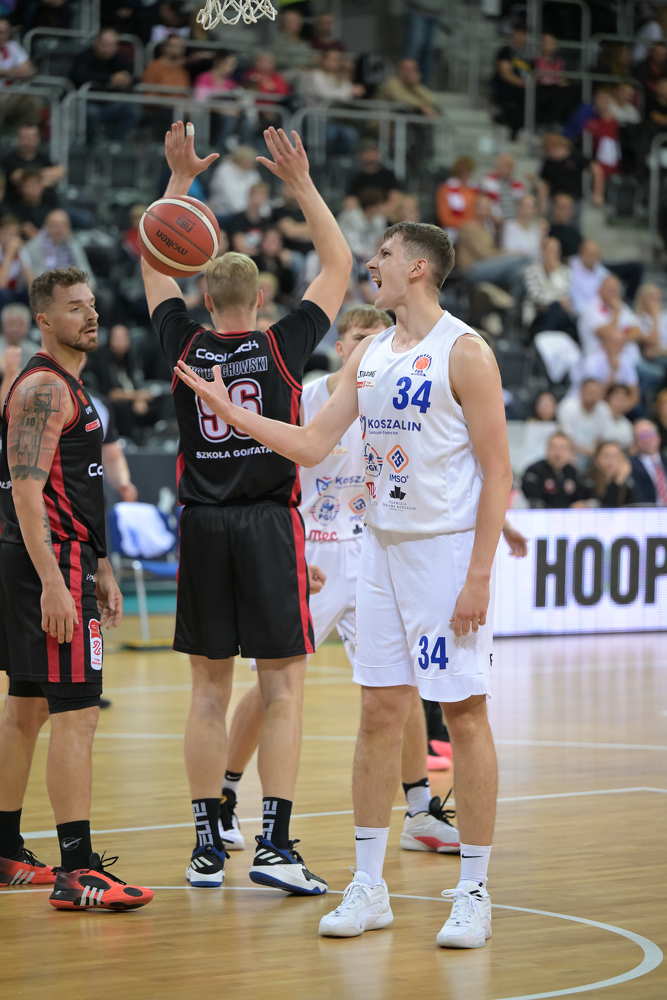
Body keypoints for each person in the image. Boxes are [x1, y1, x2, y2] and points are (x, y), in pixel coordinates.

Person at [174, 217, 514, 948]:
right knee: (377, 714)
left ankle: (474, 891)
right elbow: (310, 443)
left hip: (445, 554)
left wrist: (480, 573)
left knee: (463, 714)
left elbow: (498, 472)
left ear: (418, 268)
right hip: (378, 551)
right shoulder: (369, 356)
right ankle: (368, 886)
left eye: (385, 254)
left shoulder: (464, 351)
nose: (373, 263)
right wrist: (234, 414)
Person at [141, 122, 352, 894]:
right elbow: (337, 264)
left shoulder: (182, 344)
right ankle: (274, 846)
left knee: (207, 691)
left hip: (201, 525)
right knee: (281, 688)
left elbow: (153, 259)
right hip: (267, 524)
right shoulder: (283, 344)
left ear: (203, 296)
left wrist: (178, 186)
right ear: (260, 299)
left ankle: (205, 847)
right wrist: (299, 183)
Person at [0, 266, 152, 908]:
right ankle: (76, 870)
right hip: (48, 563)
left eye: (91, 304)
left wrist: (102, 565)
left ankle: (6, 850)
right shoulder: (42, 387)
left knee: (28, 708)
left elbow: (78, 489)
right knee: (77, 712)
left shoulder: (70, 386)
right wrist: (55, 582)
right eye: (74, 308)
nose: (90, 315)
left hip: (63, 558)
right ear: (43, 319)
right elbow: (27, 492)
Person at [457, 194, 531, 302]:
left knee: (519, 273)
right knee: (523, 259)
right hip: (472, 269)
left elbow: (492, 251)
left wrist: (498, 229)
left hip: (486, 266)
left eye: (488, 208)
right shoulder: (469, 226)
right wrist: (509, 254)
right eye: (482, 207)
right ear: (475, 208)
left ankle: (512, 306)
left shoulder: (486, 228)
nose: (485, 211)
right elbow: (485, 254)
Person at [72, 29, 142, 142]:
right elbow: (80, 77)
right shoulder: (85, 56)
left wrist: (126, 80)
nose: (108, 49)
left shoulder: (118, 58)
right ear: (96, 43)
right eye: (105, 45)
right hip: (86, 103)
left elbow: (132, 77)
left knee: (132, 111)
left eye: (112, 45)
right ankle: (89, 146)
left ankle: (115, 145)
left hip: (109, 104)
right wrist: (110, 79)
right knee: (92, 113)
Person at [304, 50, 364, 155]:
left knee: (351, 135)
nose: (335, 62)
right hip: (316, 120)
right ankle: (321, 161)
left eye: (338, 59)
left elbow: (350, 94)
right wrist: (349, 92)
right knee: (330, 134)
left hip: (335, 120)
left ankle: (339, 162)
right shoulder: (316, 75)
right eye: (332, 59)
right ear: (323, 60)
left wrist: (349, 82)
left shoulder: (340, 77)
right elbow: (326, 94)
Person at [577, 275, 643, 357]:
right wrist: (616, 313)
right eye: (611, 289)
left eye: (616, 289)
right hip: (600, 361)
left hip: (628, 359)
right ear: (600, 289)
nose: (614, 292)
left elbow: (639, 332)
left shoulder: (623, 307)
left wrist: (619, 338)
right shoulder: (591, 310)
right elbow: (608, 335)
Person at [523, 236, 575, 337]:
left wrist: (555, 273)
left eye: (557, 250)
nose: (554, 254)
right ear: (543, 251)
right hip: (538, 316)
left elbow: (567, 295)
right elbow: (537, 297)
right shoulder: (531, 271)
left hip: (561, 316)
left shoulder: (566, 272)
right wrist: (558, 299)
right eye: (551, 250)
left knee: (557, 309)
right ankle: (545, 338)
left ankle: (547, 339)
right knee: (556, 306)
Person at [521, 432, 590, 507]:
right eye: (554, 448)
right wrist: (569, 507)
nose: (558, 453)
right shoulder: (534, 471)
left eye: (563, 449)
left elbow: (581, 499)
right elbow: (535, 504)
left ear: (570, 452)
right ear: (546, 449)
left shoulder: (572, 472)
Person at [3, 124, 66, 207]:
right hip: (18, 206)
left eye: (31, 137)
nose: (27, 141)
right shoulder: (8, 160)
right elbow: (16, 177)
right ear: (17, 138)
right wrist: (45, 178)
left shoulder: (42, 157)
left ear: (38, 139)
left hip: (48, 205)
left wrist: (29, 176)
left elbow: (60, 172)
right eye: (24, 137)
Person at [537, 134, 603, 213]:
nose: (550, 153)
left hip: (574, 199)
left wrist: (597, 193)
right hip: (556, 201)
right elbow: (545, 184)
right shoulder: (549, 162)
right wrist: (541, 204)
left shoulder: (575, 157)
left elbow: (596, 169)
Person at [557, 378, 617, 461]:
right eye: (590, 392)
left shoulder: (604, 408)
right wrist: (591, 452)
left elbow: (606, 437)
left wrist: (596, 452)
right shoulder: (567, 407)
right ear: (581, 392)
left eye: (596, 393)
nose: (593, 396)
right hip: (572, 453)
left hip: (596, 455)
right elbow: (565, 439)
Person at [25, 210, 94, 279]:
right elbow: (37, 276)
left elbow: (85, 270)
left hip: (73, 283)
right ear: (46, 226)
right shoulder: (34, 246)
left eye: (61, 226)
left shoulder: (73, 244)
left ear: (68, 227)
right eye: (53, 225)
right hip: (47, 283)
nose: (57, 230)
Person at [492, 21, 531, 139]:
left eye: (524, 34)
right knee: (525, 96)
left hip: (524, 87)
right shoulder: (506, 51)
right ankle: (513, 125)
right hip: (508, 87)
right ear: (513, 33)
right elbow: (505, 74)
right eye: (519, 33)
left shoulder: (526, 55)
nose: (522, 37)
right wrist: (523, 83)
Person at [0, 18, 38, 132]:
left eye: (3, 32)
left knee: (32, 102)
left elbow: (30, 69)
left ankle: (25, 138)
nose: (1, 36)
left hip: (11, 94)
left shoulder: (13, 46)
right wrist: (14, 72)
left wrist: (7, 73)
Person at [207, 147, 263, 220]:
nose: (254, 164)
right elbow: (231, 198)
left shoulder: (253, 173)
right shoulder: (225, 170)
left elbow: (260, 192)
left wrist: (263, 212)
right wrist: (248, 213)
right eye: (251, 161)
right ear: (242, 160)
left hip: (248, 213)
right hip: (225, 213)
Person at [346, 141, 402, 210]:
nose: (370, 156)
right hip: (362, 212)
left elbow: (395, 197)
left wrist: (382, 211)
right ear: (360, 155)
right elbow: (350, 200)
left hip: (384, 211)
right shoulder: (356, 177)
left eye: (373, 152)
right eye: (367, 152)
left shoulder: (388, 175)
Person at [337, 188, 388, 264]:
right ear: (371, 205)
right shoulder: (350, 217)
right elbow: (353, 247)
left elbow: (381, 244)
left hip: (370, 259)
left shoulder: (379, 220)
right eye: (380, 204)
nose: (382, 207)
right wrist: (374, 254)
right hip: (346, 258)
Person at [436, 156, 478, 239]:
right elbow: (444, 217)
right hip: (454, 231)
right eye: (464, 171)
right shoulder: (446, 189)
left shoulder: (474, 190)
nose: (467, 174)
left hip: (473, 228)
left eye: (469, 171)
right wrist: (465, 225)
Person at [225, 182, 271, 257]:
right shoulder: (239, 219)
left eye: (263, 195)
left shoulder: (265, 221)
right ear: (250, 196)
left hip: (259, 259)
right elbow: (239, 246)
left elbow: (268, 246)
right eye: (258, 194)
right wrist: (260, 251)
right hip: (241, 258)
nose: (260, 198)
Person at [586, 440, 636, 507]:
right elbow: (606, 509)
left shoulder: (628, 482)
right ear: (596, 459)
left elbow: (638, 506)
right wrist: (617, 482)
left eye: (615, 456)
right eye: (606, 456)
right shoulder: (588, 482)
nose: (610, 460)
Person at [480, 153, 528, 222]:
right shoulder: (487, 181)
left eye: (510, 165)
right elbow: (481, 203)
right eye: (505, 164)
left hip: (513, 222)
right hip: (491, 221)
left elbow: (523, 207)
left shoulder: (519, 186)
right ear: (497, 166)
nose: (508, 168)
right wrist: (493, 217)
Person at [629, 419, 667, 505]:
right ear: (635, 441)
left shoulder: (665, 460)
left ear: (659, 437)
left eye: (649, 434)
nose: (647, 439)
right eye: (641, 436)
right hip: (649, 510)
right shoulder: (630, 466)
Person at [0, 214, 34, 307]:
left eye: (13, 235)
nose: (10, 239)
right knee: (2, 295)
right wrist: (9, 254)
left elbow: (31, 284)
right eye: (6, 234)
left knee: (32, 296)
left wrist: (23, 256)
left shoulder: (22, 251)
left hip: (17, 292)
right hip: (4, 294)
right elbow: (1, 285)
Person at [501, 194, 545, 261]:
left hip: (535, 265)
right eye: (527, 206)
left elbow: (539, 254)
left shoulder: (537, 228)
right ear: (519, 207)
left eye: (532, 207)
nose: (530, 210)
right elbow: (509, 252)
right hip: (516, 265)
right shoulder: (510, 226)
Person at [0, 302, 38, 372]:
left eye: (19, 325)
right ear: (3, 325)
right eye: (11, 324)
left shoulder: (33, 351)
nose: (15, 329)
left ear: (27, 327)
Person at [548, 192, 582, 260]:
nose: (563, 211)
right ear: (553, 207)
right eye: (561, 207)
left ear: (572, 211)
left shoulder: (576, 235)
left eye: (567, 208)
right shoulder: (546, 231)